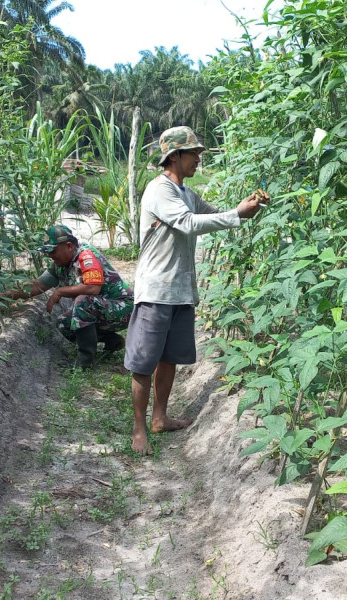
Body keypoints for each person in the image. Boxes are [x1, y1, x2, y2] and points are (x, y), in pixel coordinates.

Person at [125, 126, 267, 454]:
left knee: (169, 357)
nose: (198, 160)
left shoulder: (186, 193)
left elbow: (212, 213)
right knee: (144, 361)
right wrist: (235, 216)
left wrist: (246, 207)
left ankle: (159, 418)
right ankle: (139, 428)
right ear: (174, 156)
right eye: (194, 154)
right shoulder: (159, 190)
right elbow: (189, 223)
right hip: (156, 290)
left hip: (180, 290)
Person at [4, 225, 134, 368]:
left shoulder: (86, 256)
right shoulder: (60, 264)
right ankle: (112, 341)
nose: (50, 255)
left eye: (53, 251)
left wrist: (60, 291)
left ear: (69, 246)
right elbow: (37, 285)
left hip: (122, 309)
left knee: (83, 301)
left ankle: (84, 363)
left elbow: (93, 287)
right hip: (103, 310)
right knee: (64, 323)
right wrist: (8, 294)